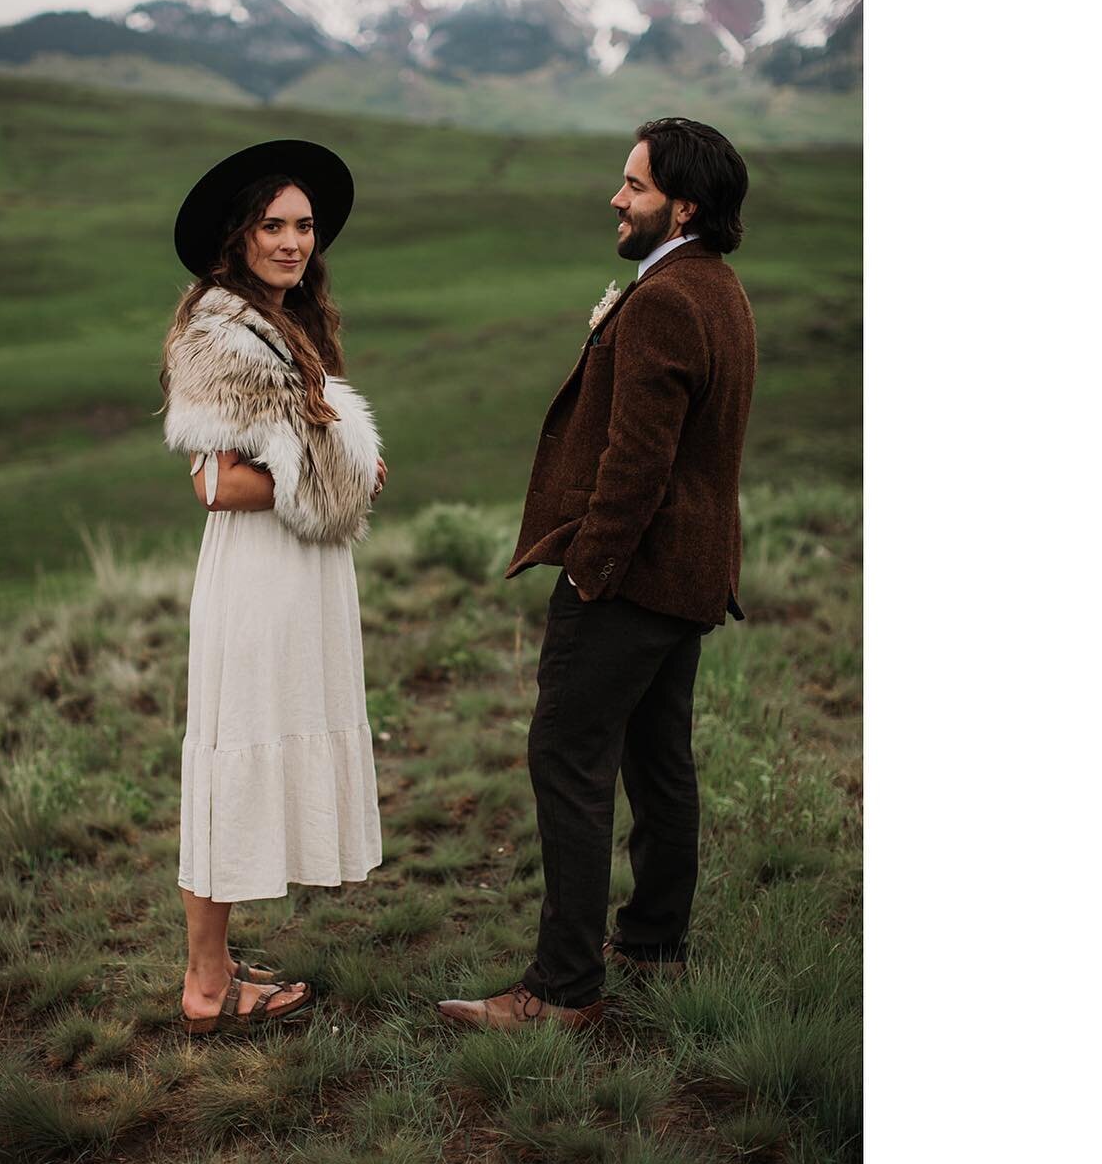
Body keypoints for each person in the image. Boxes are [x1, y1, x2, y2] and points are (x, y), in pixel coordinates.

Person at [438, 118, 756, 1032]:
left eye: (635, 186)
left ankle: (563, 991)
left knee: (567, 760)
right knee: (659, 763)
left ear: (683, 205)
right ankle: (654, 945)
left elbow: (638, 463)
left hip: (631, 580)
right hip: (689, 575)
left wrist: (589, 572)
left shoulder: (663, 298)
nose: (617, 198)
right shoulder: (719, 288)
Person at [161, 139, 387, 1035]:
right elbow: (216, 484)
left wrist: (340, 461)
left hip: (299, 573)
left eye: (303, 226)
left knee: (253, 747)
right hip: (260, 577)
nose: (292, 241)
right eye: (273, 225)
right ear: (239, 236)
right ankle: (208, 988)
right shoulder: (225, 332)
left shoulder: (285, 321)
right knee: (231, 756)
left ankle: (215, 965)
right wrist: (345, 474)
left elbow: (297, 449)